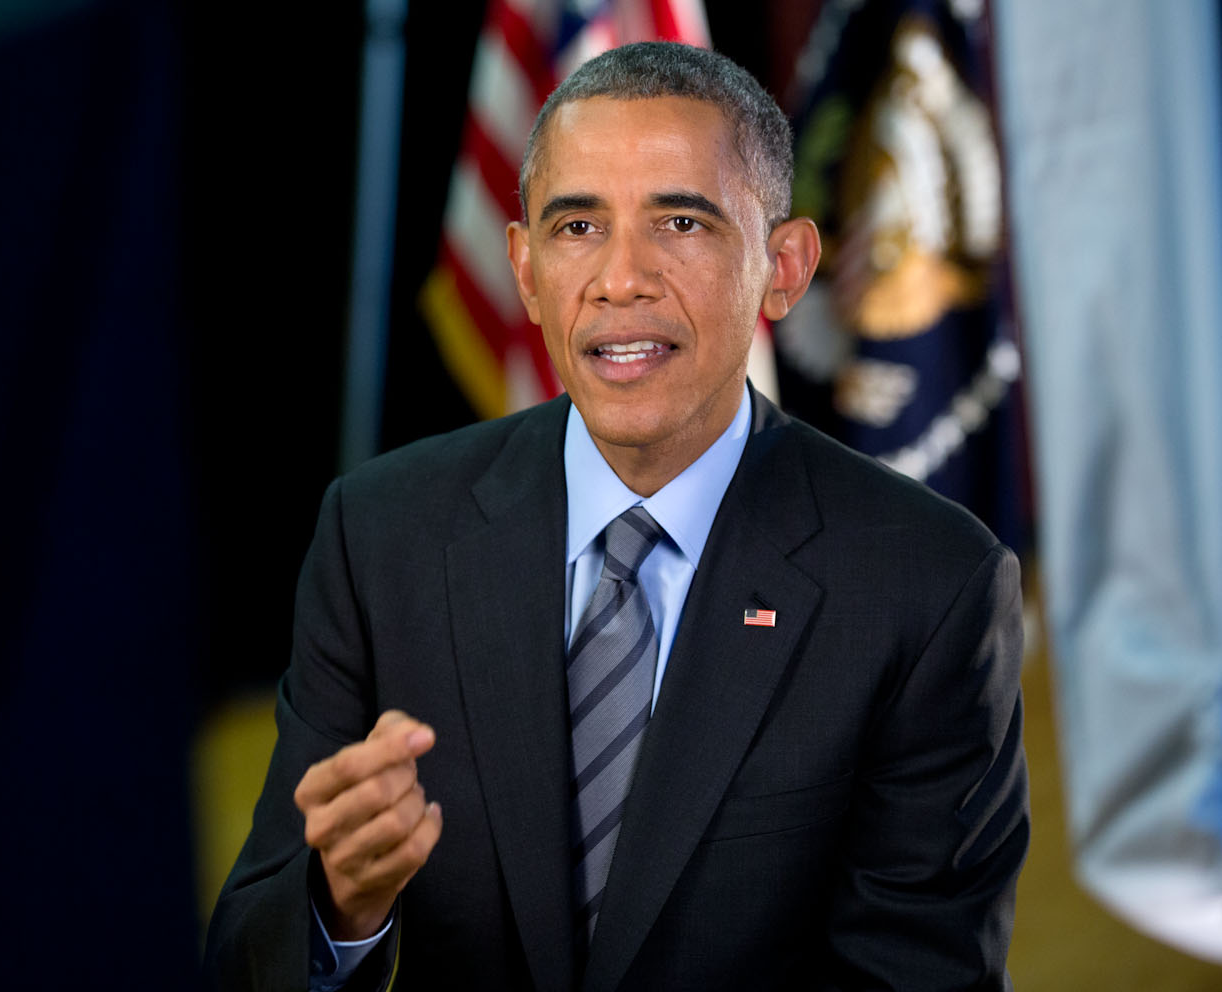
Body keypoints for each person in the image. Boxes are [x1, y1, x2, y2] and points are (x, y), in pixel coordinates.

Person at [204, 41, 1028, 991]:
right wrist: (340, 907)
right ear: (523, 268)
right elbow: (245, 961)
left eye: (680, 222)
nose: (621, 278)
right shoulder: (382, 537)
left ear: (786, 267)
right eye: (577, 227)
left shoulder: (928, 586)